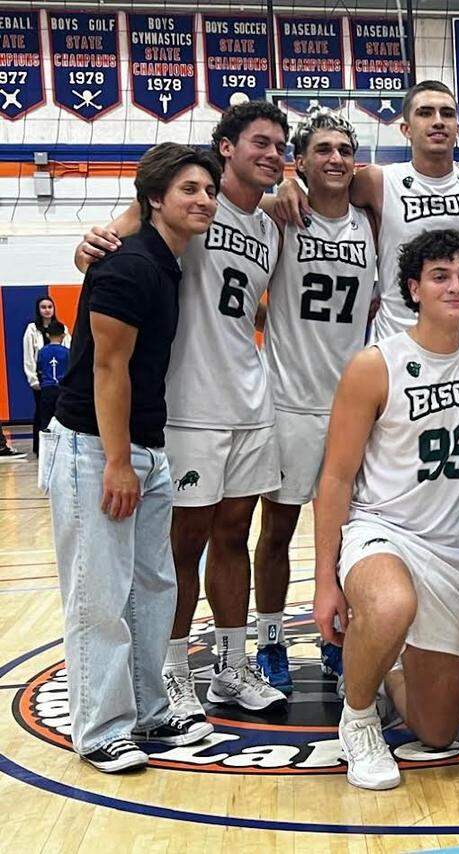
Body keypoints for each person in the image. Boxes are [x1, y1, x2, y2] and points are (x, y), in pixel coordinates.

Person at [76, 101, 290, 718]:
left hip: (251, 402)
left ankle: (232, 664)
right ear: (226, 146)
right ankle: (170, 669)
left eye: (280, 146)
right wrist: (87, 245)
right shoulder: (190, 201)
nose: (272, 154)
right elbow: (104, 248)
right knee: (182, 544)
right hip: (188, 405)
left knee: (234, 536)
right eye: (259, 143)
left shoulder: (273, 226)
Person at [44, 142, 220, 772]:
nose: (203, 200)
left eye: (208, 190)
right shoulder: (132, 265)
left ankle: (148, 711)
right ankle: (100, 729)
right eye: (189, 190)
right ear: (154, 200)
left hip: (147, 446)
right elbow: (108, 368)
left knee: (153, 587)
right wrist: (117, 462)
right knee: (99, 595)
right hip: (96, 447)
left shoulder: (167, 259)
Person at [312, 229, 459, 790]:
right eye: (441, 276)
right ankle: (359, 718)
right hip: (383, 531)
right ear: (413, 288)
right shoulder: (376, 365)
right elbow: (335, 477)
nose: (455, 286)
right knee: (392, 603)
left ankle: (388, 660)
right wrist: (326, 581)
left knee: (437, 729)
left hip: (452, 553)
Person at [250, 109, 378, 694]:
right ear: (301, 160)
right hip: (290, 402)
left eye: (345, 150)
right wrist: (281, 187)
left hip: (353, 408)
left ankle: (337, 633)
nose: (335, 158)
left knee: (349, 534)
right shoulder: (281, 218)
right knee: (277, 531)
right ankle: (271, 639)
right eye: (322, 149)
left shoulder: (372, 224)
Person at [273, 80, 459, 340]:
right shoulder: (376, 181)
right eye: (425, 113)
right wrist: (289, 184)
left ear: (458, 128)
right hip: (396, 341)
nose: (438, 121)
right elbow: (326, 188)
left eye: (446, 113)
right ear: (406, 129)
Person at [22, 295, 71, 455]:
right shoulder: (32, 329)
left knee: (62, 413)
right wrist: (33, 379)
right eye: (43, 307)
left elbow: (69, 351)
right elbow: (29, 355)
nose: (47, 310)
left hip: (61, 380)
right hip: (42, 379)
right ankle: (41, 449)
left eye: (50, 307)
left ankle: (62, 448)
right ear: (38, 310)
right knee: (41, 414)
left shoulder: (62, 328)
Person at [35, 321, 70, 431]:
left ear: (47, 335)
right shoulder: (67, 352)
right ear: (63, 335)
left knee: (45, 418)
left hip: (47, 388)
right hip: (62, 388)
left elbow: (39, 369)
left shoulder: (42, 352)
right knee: (64, 418)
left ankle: (45, 443)